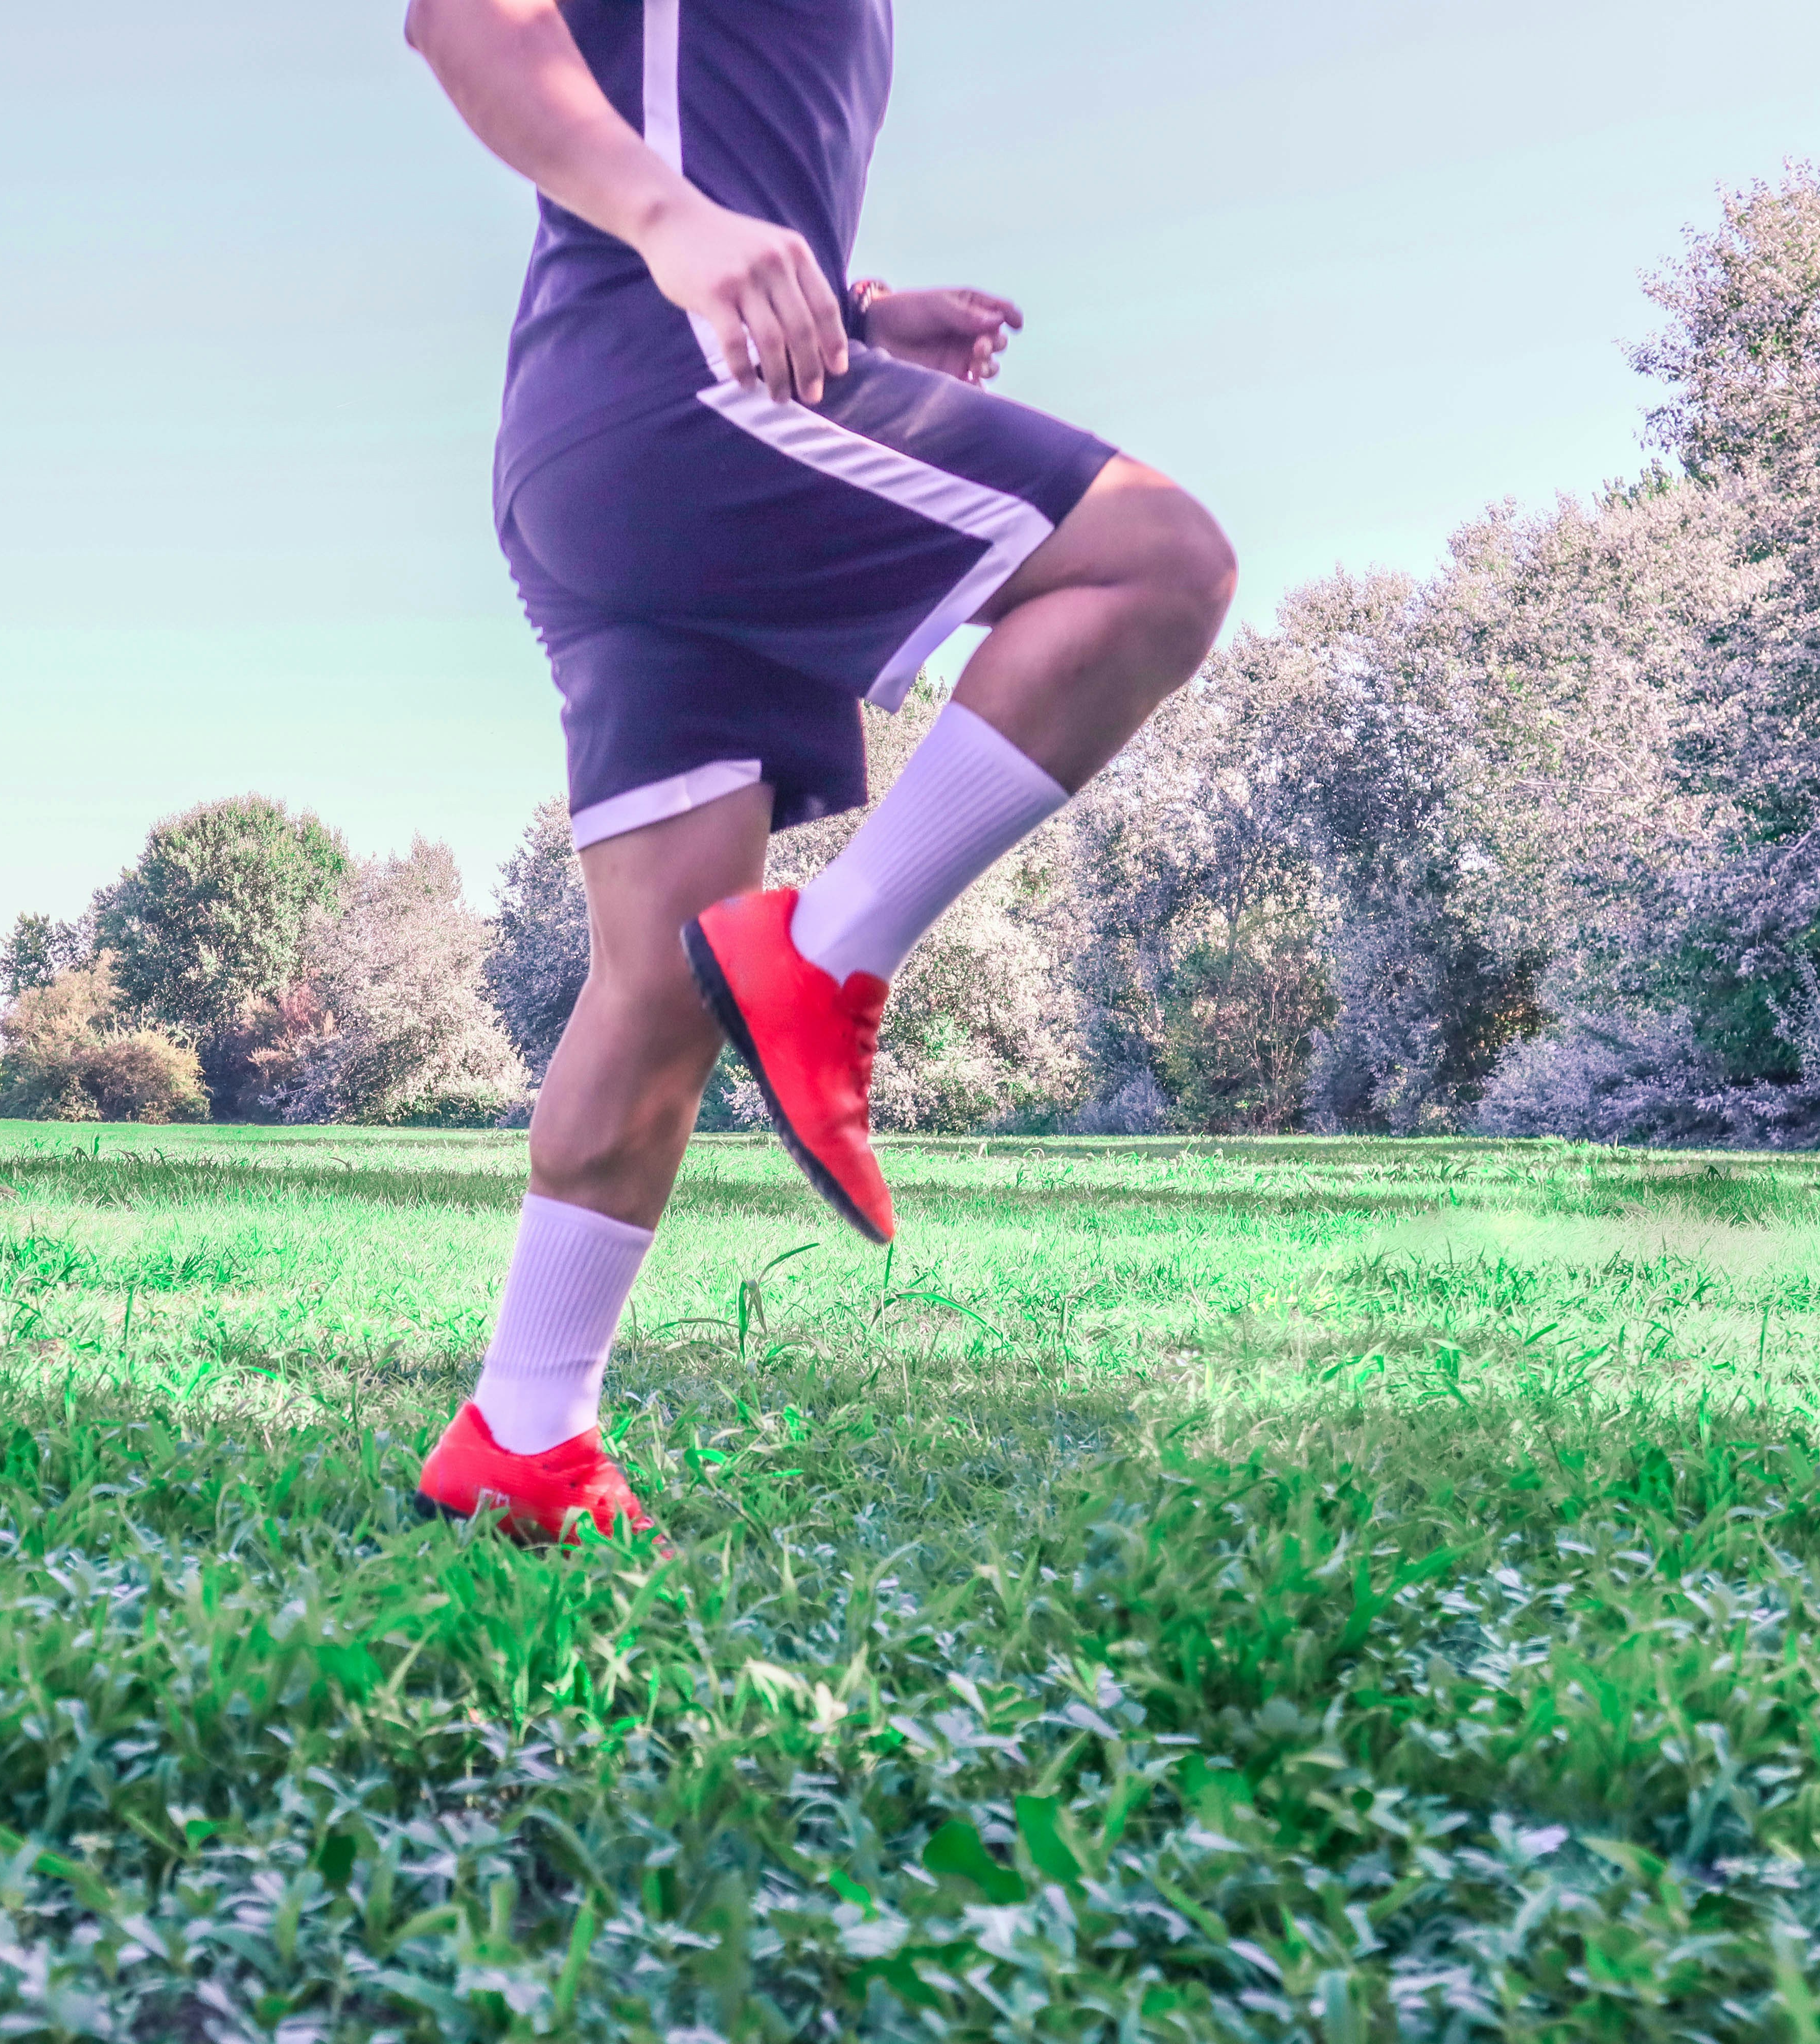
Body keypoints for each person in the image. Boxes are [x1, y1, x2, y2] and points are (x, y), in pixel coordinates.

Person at [405, 0, 1235, 1542]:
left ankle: (525, 1434)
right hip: (681, 399)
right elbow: (470, 16)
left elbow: (702, 117)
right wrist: (683, 229)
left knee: (659, 985)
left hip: (613, 426)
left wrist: (848, 314)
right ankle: (828, 952)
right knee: (1157, 562)